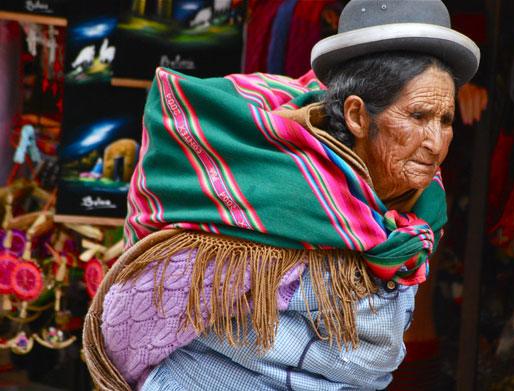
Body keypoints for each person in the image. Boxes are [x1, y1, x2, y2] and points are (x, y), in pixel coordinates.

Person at [83, 1, 480, 389]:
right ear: (358, 116)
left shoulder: (422, 212)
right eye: (418, 117)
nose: (435, 142)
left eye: (445, 121)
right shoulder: (265, 195)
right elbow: (132, 322)